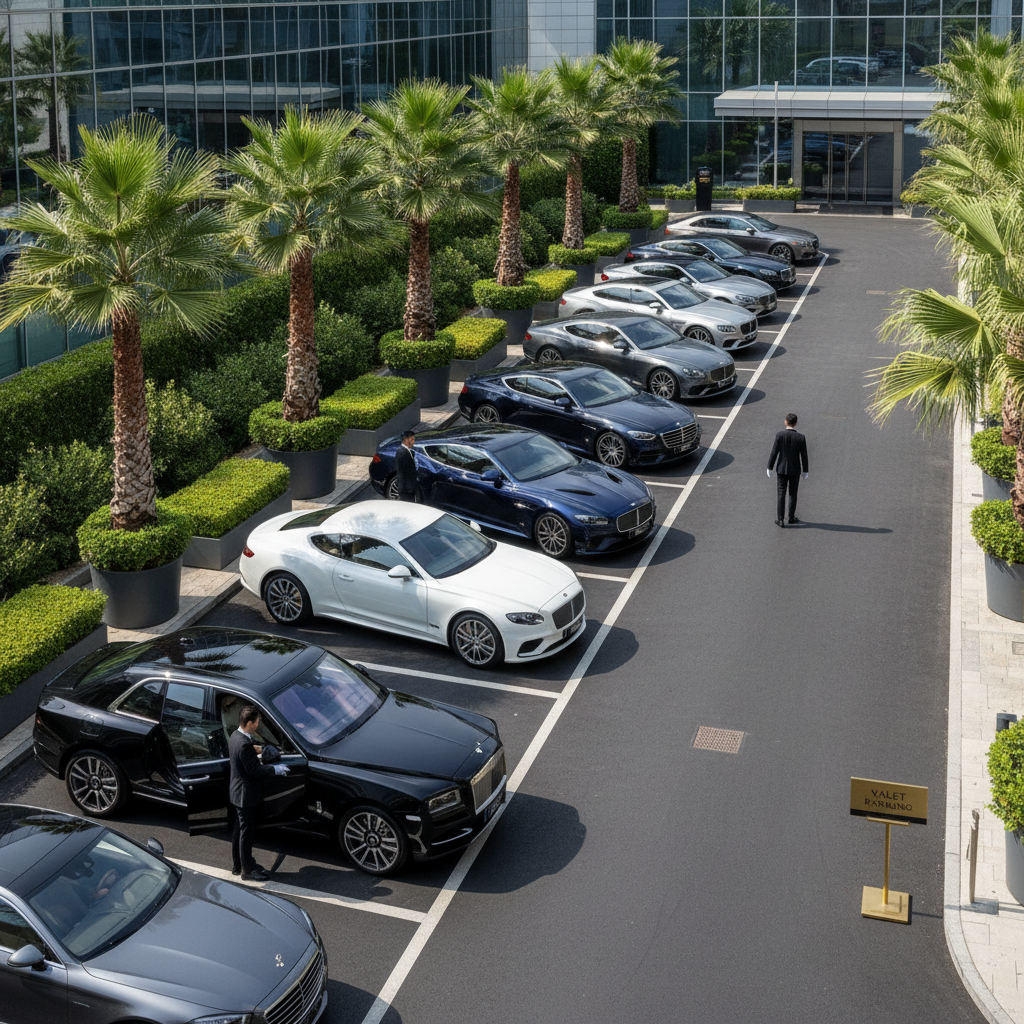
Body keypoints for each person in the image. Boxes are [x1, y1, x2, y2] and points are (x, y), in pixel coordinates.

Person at [229, 704, 287, 881]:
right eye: (256, 722)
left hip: (237, 792)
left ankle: (238, 865)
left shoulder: (235, 735)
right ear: (249, 722)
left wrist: (259, 750)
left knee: (239, 831)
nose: (257, 724)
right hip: (246, 795)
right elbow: (255, 770)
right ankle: (247, 871)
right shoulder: (244, 744)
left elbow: (246, 752)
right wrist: (275, 770)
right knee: (246, 834)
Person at [767, 412, 809, 527]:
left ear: (785, 422)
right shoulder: (801, 437)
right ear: (795, 423)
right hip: (795, 469)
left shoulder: (780, 435)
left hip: (781, 469)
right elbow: (804, 455)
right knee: (793, 493)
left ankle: (780, 519)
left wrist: (769, 467)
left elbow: (774, 452)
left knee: (781, 493)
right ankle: (791, 517)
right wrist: (805, 470)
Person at [395, 428, 420, 502]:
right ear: (406, 439)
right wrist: (410, 488)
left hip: (407, 487)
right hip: (406, 488)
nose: (413, 442)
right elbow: (407, 472)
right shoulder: (403, 453)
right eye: (412, 439)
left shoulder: (406, 451)